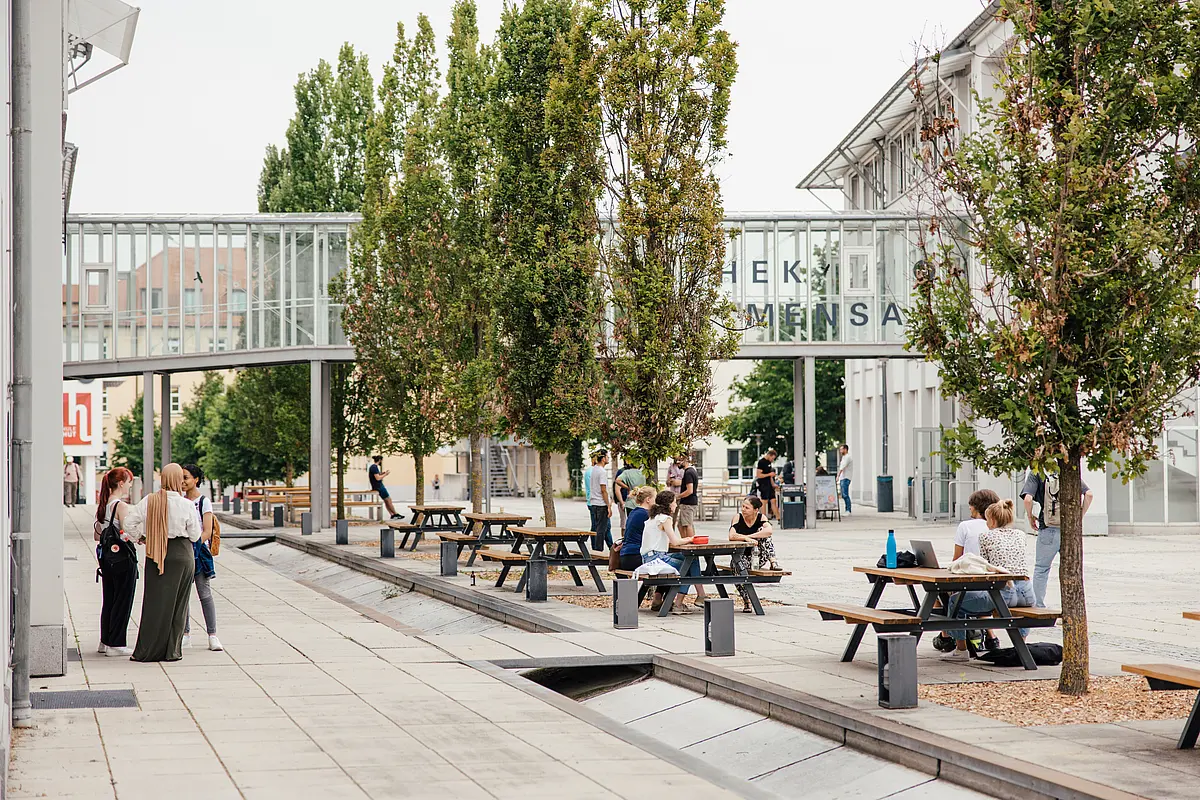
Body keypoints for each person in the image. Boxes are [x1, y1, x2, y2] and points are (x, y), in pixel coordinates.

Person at [123, 463, 200, 662]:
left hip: (156, 552)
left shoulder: (150, 500)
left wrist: (141, 537)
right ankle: (172, 651)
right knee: (179, 605)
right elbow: (195, 535)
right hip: (182, 554)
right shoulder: (186, 504)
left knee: (154, 603)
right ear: (178, 479)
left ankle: (149, 649)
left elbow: (128, 523)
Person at [943, 499, 1036, 660]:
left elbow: (988, 567)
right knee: (1022, 615)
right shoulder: (1021, 534)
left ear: (992, 520)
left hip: (1004, 593)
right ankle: (1020, 647)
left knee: (955, 602)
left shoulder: (986, 536)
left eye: (987, 520)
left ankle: (961, 649)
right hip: (1027, 593)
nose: (986, 524)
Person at [933, 489, 1000, 653]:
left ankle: (948, 638)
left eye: (970, 505)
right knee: (977, 592)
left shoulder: (965, 526)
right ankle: (991, 637)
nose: (969, 508)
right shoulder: (997, 527)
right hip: (994, 585)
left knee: (940, 593)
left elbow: (957, 558)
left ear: (976, 507)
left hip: (971, 581)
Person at [1021, 470, 1093, 608]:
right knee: (1071, 569)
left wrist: (1030, 517)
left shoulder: (1038, 472)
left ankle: (1038, 606)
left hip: (1048, 528)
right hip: (1070, 531)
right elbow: (1089, 494)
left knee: (1042, 568)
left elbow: (1028, 499)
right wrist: (1079, 516)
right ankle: (1071, 608)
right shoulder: (1067, 470)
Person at [640, 490, 707, 614]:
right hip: (657, 559)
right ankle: (680, 603)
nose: (676, 505)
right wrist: (690, 539)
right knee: (687, 566)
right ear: (669, 504)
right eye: (675, 502)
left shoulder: (653, 517)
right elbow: (675, 541)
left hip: (648, 558)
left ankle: (659, 599)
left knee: (691, 558)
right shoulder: (665, 519)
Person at [95, 467, 137, 657]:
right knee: (123, 599)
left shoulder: (104, 504)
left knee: (109, 598)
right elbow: (128, 533)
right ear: (121, 483)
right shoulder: (120, 506)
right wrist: (140, 537)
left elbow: (97, 535)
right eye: (129, 482)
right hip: (122, 558)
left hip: (106, 558)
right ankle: (117, 643)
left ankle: (105, 640)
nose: (130, 485)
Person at [181, 464, 222, 652]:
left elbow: (207, 530)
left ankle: (212, 635)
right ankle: (185, 634)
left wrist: (194, 545)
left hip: (199, 553)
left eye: (186, 477)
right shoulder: (180, 500)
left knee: (204, 594)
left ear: (196, 479)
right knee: (183, 595)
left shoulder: (203, 501)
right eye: (181, 478)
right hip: (183, 553)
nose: (183, 481)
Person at [728, 496, 783, 612]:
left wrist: (750, 537)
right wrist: (745, 539)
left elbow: (769, 531)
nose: (743, 509)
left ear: (755, 510)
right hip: (742, 558)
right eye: (743, 506)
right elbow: (731, 536)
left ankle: (773, 562)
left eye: (747, 507)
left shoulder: (761, 518)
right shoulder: (738, 518)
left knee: (765, 536)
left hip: (758, 556)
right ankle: (746, 601)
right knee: (735, 567)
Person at [618, 486, 656, 571]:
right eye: (654, 498)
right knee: (679, 562)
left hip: (625, 555)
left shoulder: (634, 512)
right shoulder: (646, 515)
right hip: (636, 556)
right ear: (648, 499)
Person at [587, 450, 614, 551]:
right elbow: (603, 489)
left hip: (594, 502)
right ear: (603, 458)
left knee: (601, 528)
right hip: (601, 503)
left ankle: (606, 548)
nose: (608, 458)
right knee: (601, 530)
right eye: (607, 456)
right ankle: (599, 551)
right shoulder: (602, 472)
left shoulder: (594, 469)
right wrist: (608, 505)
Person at [614, 459, 645, 529]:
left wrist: (628, 487)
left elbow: (617, 481)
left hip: (630, 502)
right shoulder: (643, 472)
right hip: (642, 501)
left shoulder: (626, 472)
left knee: (630, 524)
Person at [676, 454, 701, 538]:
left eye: (680, 460)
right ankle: (685, 541)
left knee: (687, 525)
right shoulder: (691, 471)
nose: (677, 462)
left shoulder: (688, 473)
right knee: (680, 525)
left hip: (688, 503)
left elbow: (689, 490)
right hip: (688, 503)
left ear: (686, 460)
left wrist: (678, 496)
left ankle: (690, 543)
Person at [369, 455, 401, 520]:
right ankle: (395, 514)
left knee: (386, 501)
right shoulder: (374, 467)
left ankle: (392, 514)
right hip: (379, 487)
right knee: (388, 499)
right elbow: (378, 478)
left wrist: (382, 473)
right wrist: (385, 474)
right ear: (380, 460)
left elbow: (376, 476)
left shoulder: (373, 467)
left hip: (377, 486)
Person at [755, 449, 780, 520]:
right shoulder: (761, 462)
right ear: (769, 455)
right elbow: (759, 475)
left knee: (773, 500)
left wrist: (773, 484)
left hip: (769, 484)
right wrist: (769, 474)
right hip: (763, 484)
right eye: (772, 458)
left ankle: (778, 517)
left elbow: (770, 476)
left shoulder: (769, 463)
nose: (772, 460)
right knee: (764, 501)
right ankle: (763, 518)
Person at [836, 444, 853, 514]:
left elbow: (842, 467)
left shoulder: (847, 457)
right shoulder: (844, 457)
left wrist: (838, 476)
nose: (840, 451)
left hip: (846, 477)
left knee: (845, 494)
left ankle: (848, 510)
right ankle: (847, 509)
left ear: (845, 449)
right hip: (843, 478)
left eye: (841, 449)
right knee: (843, 495)